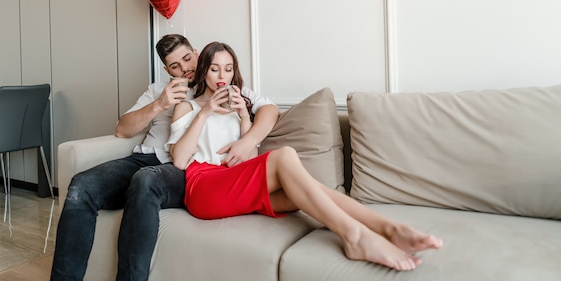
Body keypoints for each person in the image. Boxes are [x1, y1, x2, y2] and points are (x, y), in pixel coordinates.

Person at [166, 42, 444, 272]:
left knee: (308, 192)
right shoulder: (187, 107)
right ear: (204, 72)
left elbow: (248, 158)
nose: (221, 75)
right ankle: (354, 236)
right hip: (203, 188)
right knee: (284, 155)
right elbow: (179, 160)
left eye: (228, 69)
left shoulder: (239, 109)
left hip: (232, 184)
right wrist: (204, 113)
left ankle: (389, 228)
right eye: (214, 69)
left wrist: (242, 117)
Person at [50, 34, 279, 281]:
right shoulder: (158, 90)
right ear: (166, 70)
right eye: (175, 66)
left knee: (146, 180)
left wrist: (248, 142)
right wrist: (159, 104)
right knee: (81, 186)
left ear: (197, 52)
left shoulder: (220, 82)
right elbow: (122, 129)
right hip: (145, 159)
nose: (185, 69)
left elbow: (269, 109)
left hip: (181, 168)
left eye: (188, 59)